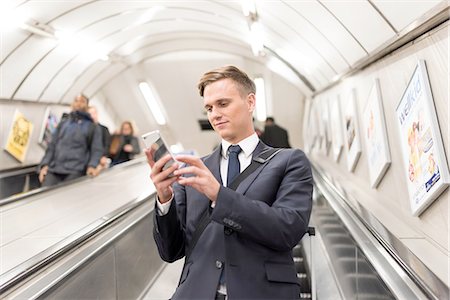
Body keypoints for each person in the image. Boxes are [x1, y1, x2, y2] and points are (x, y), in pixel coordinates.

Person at [145, 66, 313, 299]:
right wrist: (165, 199)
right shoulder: (192, 169)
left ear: (250, 102)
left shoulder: (288, 161)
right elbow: (170, 251)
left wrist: (218, 195)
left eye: (223, 104)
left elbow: (287, 230)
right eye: (209, 108)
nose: (214, 114)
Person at [38, 94, 103, 187]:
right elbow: (52, 146)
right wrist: (44, 165)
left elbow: (96, 149)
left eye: (82, 101)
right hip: (54, 169)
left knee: (67, 200)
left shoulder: (93, 127)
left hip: (76, 171)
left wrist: (92, 166)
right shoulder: (63, 123)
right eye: (76, 101)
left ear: (87, 105)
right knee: (44, 197)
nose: (78, 104)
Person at [88, 106, 112, 174]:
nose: (92, 116)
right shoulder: (87, 130)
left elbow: (107, 144)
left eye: (94, 113)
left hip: (101, 160)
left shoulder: (104, 129)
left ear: (97, 114)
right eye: (90, 114)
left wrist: (104, 156)